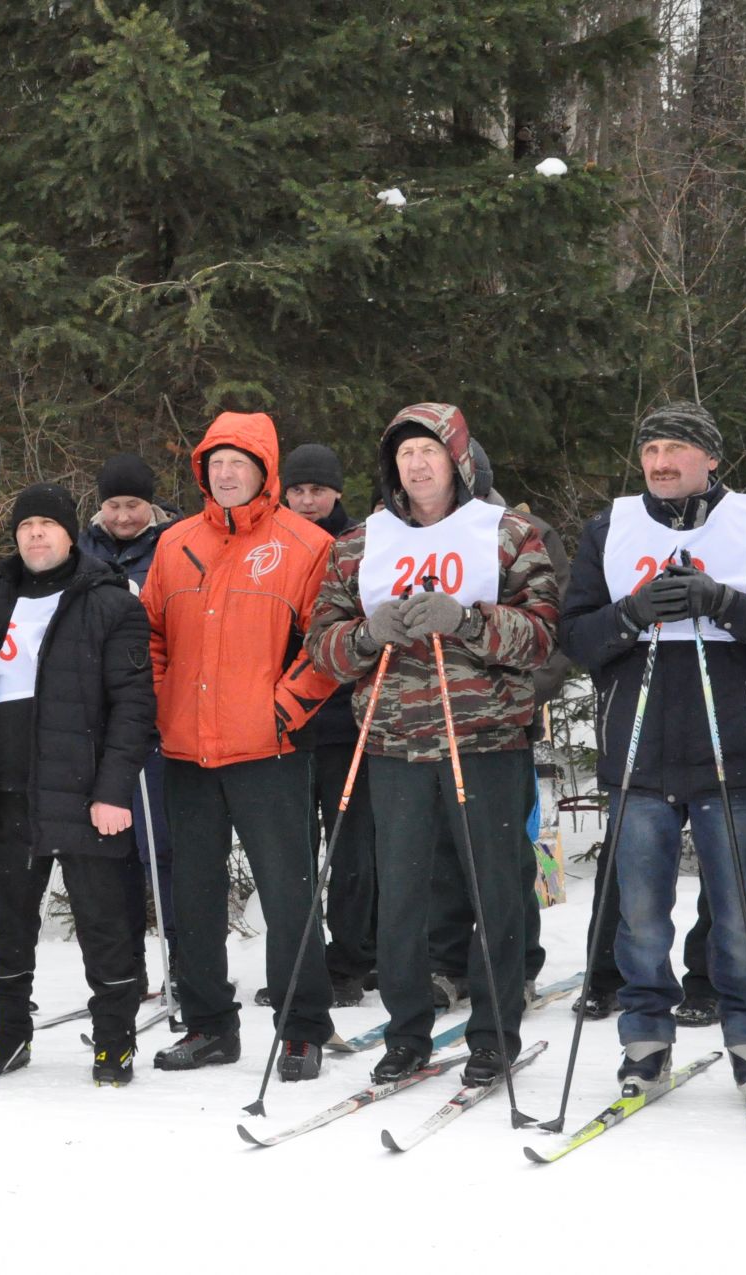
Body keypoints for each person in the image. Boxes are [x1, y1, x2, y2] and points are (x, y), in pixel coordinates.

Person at [557, 401, 746, 1089]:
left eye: (676, 448)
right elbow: (575, 637)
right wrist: (632, 614)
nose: (661, 462)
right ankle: (645, 1038)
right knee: (640, 914)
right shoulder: (610, 525)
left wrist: (722, 601)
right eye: (650, 449)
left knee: (737, 913)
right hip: (638, 751)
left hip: (732, 750)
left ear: (711, 458)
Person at [308, 403, 559, 1088]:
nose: (416, 465)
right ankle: (407, 1031)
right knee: (402, 896)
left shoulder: (506, 532)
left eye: (429, 451)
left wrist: (470, 620)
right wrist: (366, 634)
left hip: (484, 737)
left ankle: (494, 1032)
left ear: (457, 458)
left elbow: (541, 634)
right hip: (394, 741)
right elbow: (322, 643)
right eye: (404, 454)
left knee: (494, 889)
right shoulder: (362, 543)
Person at [144, 414, 341, 1082]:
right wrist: (164, 700)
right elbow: (151, 636)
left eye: (240, 462)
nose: (226, 474)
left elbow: (327, 645)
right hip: (186, 752)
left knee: (288, 894)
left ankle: (302, 1028)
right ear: (202, 469)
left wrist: (281, 709)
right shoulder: (173, 543)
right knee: (194, 895)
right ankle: (207, 1024)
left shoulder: (306, 543)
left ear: (265, 470)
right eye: (215, 462)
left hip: (269, 749)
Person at [0, 483, 156, 1084]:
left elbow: (135, 706)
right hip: (7, 792)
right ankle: (8, 1036)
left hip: (84, 792)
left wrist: (115, 789)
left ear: (70, 533)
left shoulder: (110, 602)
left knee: (105, 923)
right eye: (26, 526)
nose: (36, 534)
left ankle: (114, 1040)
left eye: (48, 524)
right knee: (7, 924)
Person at [425, 439, 576, 1008]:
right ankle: (445, 963)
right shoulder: (410, 534)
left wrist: (522, 695)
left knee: (504, 851)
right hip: (428, 720)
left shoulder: (523, 532)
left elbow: (553, 627)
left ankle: (516, 961)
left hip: (501, 724)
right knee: (439, 851)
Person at [278, 443, 376, 1007]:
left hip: (347, 720)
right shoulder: (274, 546)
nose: (307, 499)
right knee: (292, 854)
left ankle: (350, 961)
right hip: (287, 723)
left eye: (317, 489)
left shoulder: (361, 544)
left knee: (352, 852)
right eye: (298, 490)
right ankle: (300, 962)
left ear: (337, 491)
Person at [78, 453, 178, 992]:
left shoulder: (175, 543)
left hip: (157, 716)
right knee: (110, 855)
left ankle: (183, 964)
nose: (123, 517)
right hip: (99, 722)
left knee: (160, 849)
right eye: (114, 505)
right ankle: (127, 970)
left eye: (133, 505)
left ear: (152, 506)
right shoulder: (81, 549)